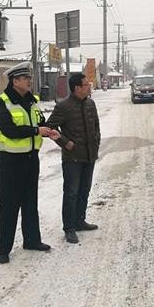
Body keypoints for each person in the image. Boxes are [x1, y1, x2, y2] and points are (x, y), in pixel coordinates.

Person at [0, 61, 60, 264]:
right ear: (15, 81)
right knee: (9, 206)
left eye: (29, 78)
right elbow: (10, 131)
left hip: (31, 159)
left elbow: (39, 123)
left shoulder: (32, 101)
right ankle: (3, 249)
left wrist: (48, 130)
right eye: (26, 78)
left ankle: (32, 240)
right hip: (11, 162)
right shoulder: (1, 103)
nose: (30, 81)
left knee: (30, 202)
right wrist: (36, 131)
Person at [47, 73, 100, 244]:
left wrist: (96, 142)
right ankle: (69, 228)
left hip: (89, 155)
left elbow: (96, 126)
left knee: (84, 190)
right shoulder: (64, 106)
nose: (89, 86)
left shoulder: (90, 103)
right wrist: (66, 143)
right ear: (77, 88)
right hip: (72, 159)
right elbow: (49, 127)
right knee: (71, 193)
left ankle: (80, 221)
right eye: (86, 84)